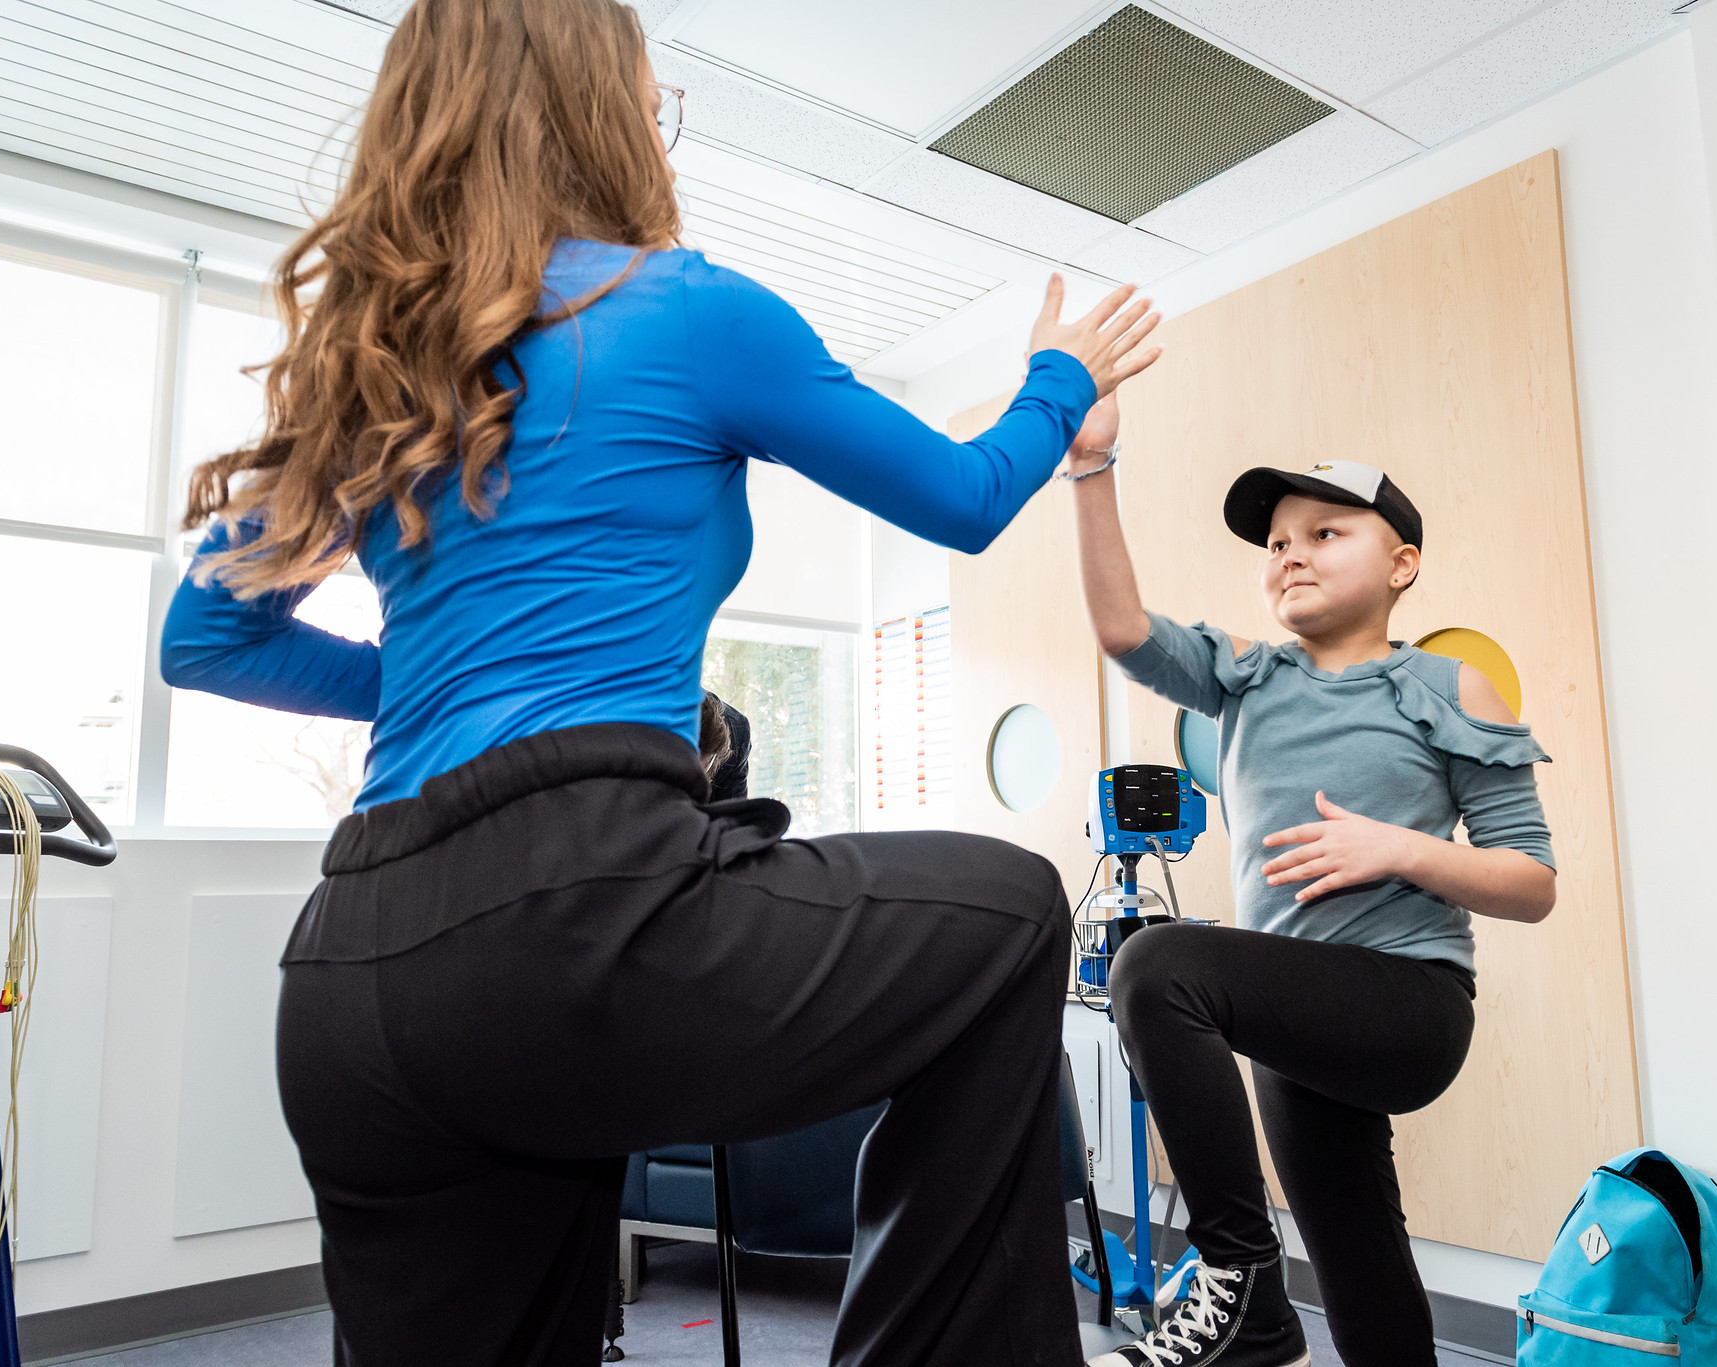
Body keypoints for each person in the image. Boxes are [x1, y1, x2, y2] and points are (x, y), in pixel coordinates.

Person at [156, 2, 1162, 1363]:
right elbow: (967, 496)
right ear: (600, 111)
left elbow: (204, 641)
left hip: (352, 970)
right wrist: (1063, 383)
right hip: (574, 917)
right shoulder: (687, 310)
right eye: (649, 96)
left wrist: (437, 693)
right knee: (1008, 914)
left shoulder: (376, 368)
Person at [1062, 394, 1557, 1367]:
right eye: (1276, 542)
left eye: (1322, 532)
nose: (1288, 553)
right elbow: (1121, 628)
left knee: (1155, 965)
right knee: (1362, 1268)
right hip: (1293, 1012)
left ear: (1401, 563)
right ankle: (1278, 1310)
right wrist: (1089, 464)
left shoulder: (1448, 688)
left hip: (1406, 1003)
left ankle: (1242, 1291)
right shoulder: (1245, 674)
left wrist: (1398, 849)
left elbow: (1527, 878)